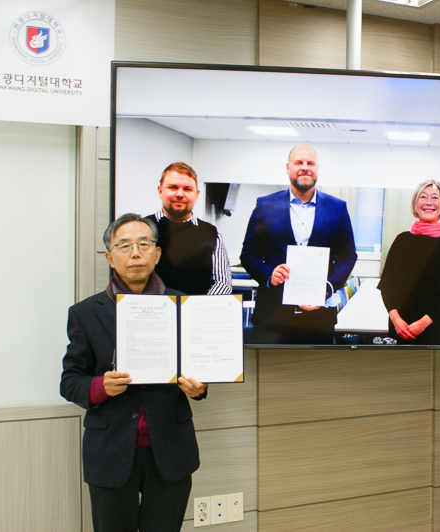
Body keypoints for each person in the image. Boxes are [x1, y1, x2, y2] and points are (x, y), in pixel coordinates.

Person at [60, 213, 207, 532]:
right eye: (124, 246)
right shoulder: (85, 313)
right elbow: (70, 381)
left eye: (144, 244)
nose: (136, 253)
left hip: (171, 448)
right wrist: (100, 386)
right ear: (110, 258)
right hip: (110, 451)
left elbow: (200, 367)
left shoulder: (185, 306)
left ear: (157, 254)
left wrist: (199, 388)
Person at [240, 144, 357, 344]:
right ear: (288, 168)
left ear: (317, 169)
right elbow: (248, 255)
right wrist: (269, 275)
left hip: (318, 317)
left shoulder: (337, 208)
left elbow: (348, 256)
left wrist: (327, 288)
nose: (305, 167)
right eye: (298, 162)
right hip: (272, 315)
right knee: (270, 365)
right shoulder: (265, 205)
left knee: (316, 365)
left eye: (310, 163)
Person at [378, 180, 440, 345]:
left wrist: (422, 323)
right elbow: (387, 285)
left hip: (435, 328)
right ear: (415, 203)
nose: (429, 202)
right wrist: (397, 321)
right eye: (423, 196)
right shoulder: (402, 240)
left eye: (435, 197)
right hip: (400, 329)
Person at [146, 162, 232, 296]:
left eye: (187, 189)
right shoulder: (142, 228)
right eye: (173, 187)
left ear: (196, 194)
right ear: (160, 190)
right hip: (152, 306)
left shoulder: (211, 233)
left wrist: (198, 306)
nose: (180, 194)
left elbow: (222, 282)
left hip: (198, 307)